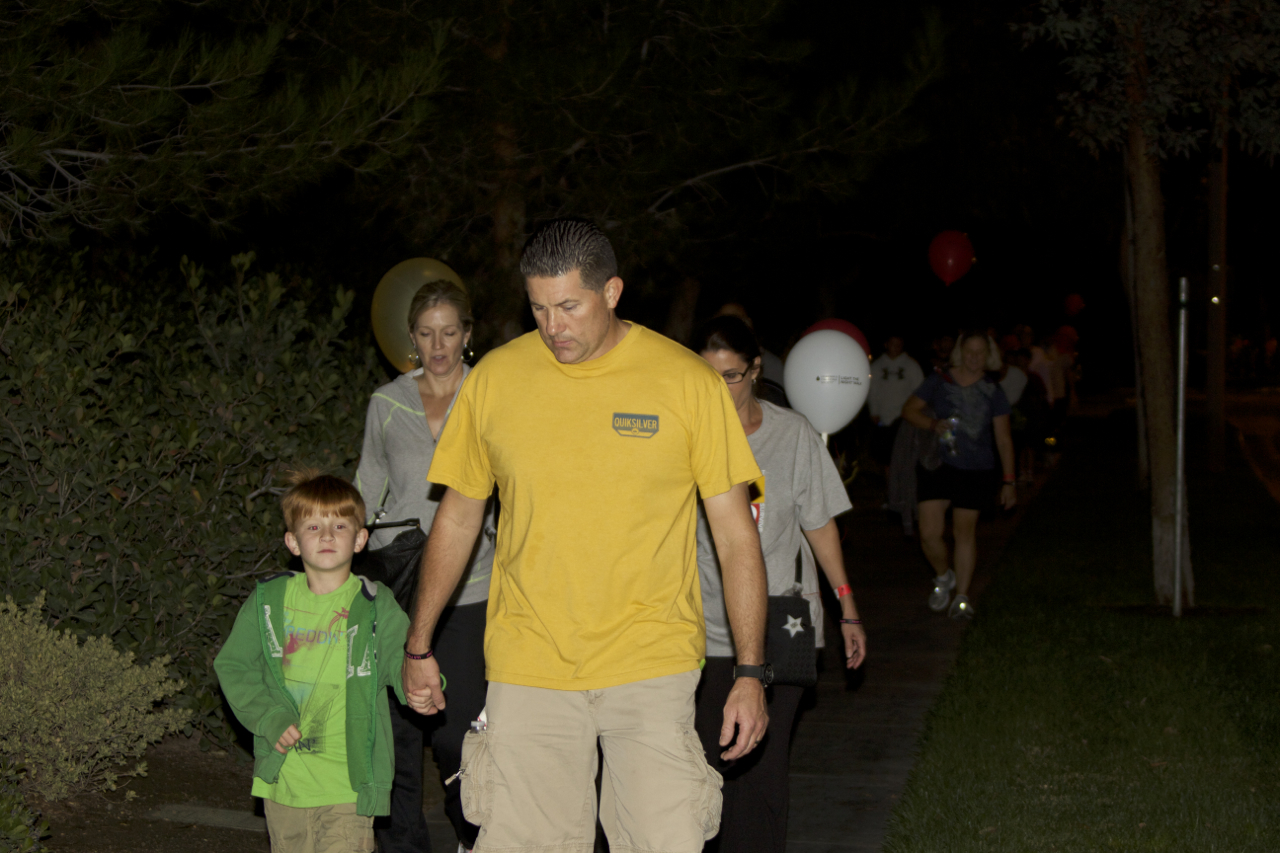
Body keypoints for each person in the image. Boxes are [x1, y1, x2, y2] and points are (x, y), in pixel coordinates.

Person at [401, 219, 771, 853]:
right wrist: (419, 645)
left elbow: (737, 537)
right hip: (529, 664)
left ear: (613, 292)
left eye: (569, 306)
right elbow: (457, 518)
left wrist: (751, 671)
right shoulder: (495, 379)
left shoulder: (686, 382)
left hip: (651, 662)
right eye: (539, 308)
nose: (553, 327)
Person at [690, 316, 867, 853]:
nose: (721, 388)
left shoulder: (793, 435)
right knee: (708, 764)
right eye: (708, 376)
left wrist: (847, 608)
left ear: (756, 370)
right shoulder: (684, 436)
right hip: (706, 628)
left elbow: (819, 525)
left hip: (783, 626)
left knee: (761, 768)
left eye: (731, 375)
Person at [355, 279, 494, 853]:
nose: (438, 345)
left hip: (472, 589)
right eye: (426, 333)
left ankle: (473, 836)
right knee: (397, 739)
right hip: (399, 587)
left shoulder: (490, 395)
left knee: (461, 733)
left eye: (449, 332)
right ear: (410, 337)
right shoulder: (386, 404)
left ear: (467, 335)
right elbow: (367, 490)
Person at [215, 472, 409, 853]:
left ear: (360, 539)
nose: (327, 536)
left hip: (348, 785)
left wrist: (418, 684)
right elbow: (233, 666)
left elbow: (400, 659)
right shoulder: (268, 602)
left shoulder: (375, 604)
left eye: (340, 526)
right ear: (292, 541)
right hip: (284, 782)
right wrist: (269, 717)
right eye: (314, 526)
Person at [901, 331, 1016, 620]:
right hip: (938, 464)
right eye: (969, 351)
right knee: (929, 534)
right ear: (960, 353)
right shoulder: (940, 380)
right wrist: (933, 424)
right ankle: (943, 577)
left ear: (988, 355)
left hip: (976, 468)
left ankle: (962, 597)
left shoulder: (993, 390)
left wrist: (1009, 480)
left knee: (964, 533)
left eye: (980, 352)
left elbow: (1004, 439)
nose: (974, 357)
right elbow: (909, 410)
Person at [868, 334, 925, 477]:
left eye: (899, 344)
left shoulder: (911, 365)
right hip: (884, 419)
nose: (896, 347)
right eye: (893, 344)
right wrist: (874, 411)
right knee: (886, 457)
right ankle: (890, 487)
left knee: (905, 456)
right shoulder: (877, 366)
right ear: (886, 344)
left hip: (904, 419)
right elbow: (872, 390)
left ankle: (903, 486)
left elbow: (920, 390)